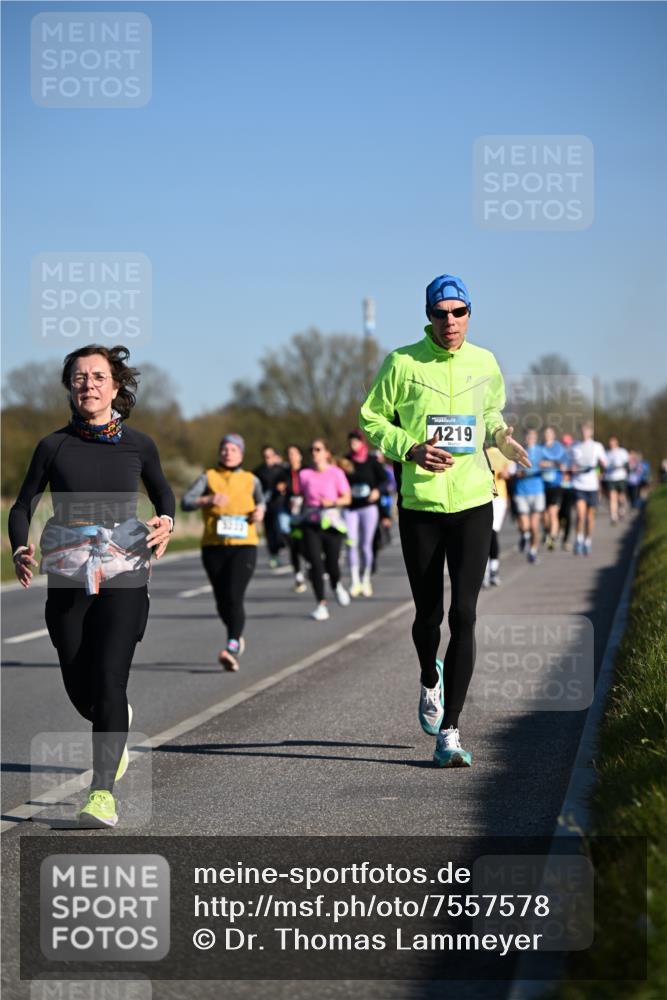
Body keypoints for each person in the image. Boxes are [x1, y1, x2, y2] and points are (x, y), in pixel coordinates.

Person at [359, 273, 529, 768]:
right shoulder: (402, 362)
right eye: (441, 313)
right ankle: (429, 679)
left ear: (470, 314)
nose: (450, 321)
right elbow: (372, 419)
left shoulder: (485, 361)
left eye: (458, 312)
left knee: (466, 615)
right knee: (429, 616)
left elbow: (491, 413)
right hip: (422, 507)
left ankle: (450, 731)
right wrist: (410, 448)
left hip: (475, 501)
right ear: (429, 317)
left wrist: (501, 438)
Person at [8, 345, 175, 828]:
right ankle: (113, 716)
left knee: (108, 677)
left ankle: (102, 793)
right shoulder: (52, 446)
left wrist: (164, 519)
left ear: (116, 386)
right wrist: (20, 546)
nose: (88, 385)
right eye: (79, 378)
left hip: (125, 570)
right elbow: (22, 505)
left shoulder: (139, 445)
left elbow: (162, 491)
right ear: (69, 387)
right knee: (81, 686)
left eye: (98, 377)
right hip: (67, 573)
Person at [181, 434, 264, 670]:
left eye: (233, 449)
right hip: (213, 545)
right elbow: (186, 502)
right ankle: (235, 633)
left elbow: (261, 503)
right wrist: (207, 499)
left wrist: (260, 512)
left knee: (234, 594)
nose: (228, 453)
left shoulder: (251, 480)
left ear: (241, 453)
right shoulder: (208, 476)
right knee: (221, 599)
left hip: (244, 545)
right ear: (220, 452)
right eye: (225, 449)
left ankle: (232, 646)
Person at [297, 438, 352, 620]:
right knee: (315, 564)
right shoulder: (304, 474)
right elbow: (301, 497)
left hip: (332, 524)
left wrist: (332, 502)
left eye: (318, 449)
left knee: (332, 564)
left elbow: (347, 498)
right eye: (312, 449)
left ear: (327, 453)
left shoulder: (336, 473)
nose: (314, 452)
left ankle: (336, 585)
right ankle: (321, 604)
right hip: (311, 523)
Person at [340, 429, 387, 597]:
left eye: (356, 441)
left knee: (365, 545)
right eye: (350, 441)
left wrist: (378, 491)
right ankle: (355, 581)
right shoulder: (345, 461)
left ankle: (366, 579)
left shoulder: (372, 460)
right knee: (351, 543)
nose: (353, 444)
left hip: (368, 507)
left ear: (362, 442)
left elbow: (386, 480)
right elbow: (338, 480)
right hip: (350, 508)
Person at [570, 421, 607, 555]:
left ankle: (588, 541)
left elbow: (604, 464)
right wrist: (571, 468)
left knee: (590, 517)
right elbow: (569, 464)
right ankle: (579, 539)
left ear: (591, 432)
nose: (585, 432)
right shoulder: (575, 447)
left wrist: (601, 469)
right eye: (583, 430)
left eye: (587, 430)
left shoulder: (597, 446)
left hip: (592, 486)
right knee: (580, 515)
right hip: (578, 485)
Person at [513, 428, 545, 564]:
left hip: (537, 491)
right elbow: (512, 469)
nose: (530, 438)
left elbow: (548, 466)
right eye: (528, 436)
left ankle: (533, 550)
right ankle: (525, 536)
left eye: (533, 436)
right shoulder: (517, 450)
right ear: (525, 437)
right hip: (521, 491)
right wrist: (517, 473)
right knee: (524, 525)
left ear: (536, 437)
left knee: (534, 525)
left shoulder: (541, 451)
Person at [483, 445, 513, 586]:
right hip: (482, 497)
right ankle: (487, 572)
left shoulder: (503, 454)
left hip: (498, 497)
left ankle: (492, 570)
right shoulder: (478, 454)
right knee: (485, 535)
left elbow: (508, 473)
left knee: (491, 532)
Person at [253, 445, 287, 569]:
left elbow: (289, 482)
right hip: (265, 506)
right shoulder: (259, 471)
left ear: (274, 455)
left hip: (280, 503)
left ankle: (282, 544)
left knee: (279, 528)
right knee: (269, 532)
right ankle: (274, 555)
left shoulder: (282, 469)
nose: (268, 458)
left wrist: (284, 487)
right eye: (265, 456)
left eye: (270, 455)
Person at [281, 444, 307, 593]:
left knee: (305, 543)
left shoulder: (307, 471)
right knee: (293, 545)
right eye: (289, 454)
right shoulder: (283, 473)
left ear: (300, 456)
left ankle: (310, 565)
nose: (292, 456)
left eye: (294, 453)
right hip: (289, 512)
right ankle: (298, 575)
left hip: (305, 512)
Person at [539, 425, 568, 549]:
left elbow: (564, 465)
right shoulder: (540, 448)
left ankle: (552, 537)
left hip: (555, 485)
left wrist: (551, 463)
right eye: (546, 433)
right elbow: (534, 463)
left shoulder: (559, 448)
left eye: (550, 433)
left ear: (554, 435)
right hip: (542, 485)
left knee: (552, 512)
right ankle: (547, 531)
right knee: (544, 514)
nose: (547, 435)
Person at [603, 435, 629, 524]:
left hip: (621, 477)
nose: (611, 444)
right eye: (610, 442)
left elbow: (627, 464)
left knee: (621, 497)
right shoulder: (607, 453)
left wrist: (620, 466)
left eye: (613, 442)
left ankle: (622, 508)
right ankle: (614, 516)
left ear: (616, 442)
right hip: (610, 478)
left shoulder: (622, 452)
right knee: (612, 497)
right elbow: (603, 465)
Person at [558, 433, 576, 550]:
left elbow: (577, 467)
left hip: (570, 487)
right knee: (558, 512)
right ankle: (558, 528)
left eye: (568, 443)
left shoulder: (574, 454)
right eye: (564, 443)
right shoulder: (558, 453)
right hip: (558, 486)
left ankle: (566, 539)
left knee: (567, 513)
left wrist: (570, 470)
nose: (566, 446)